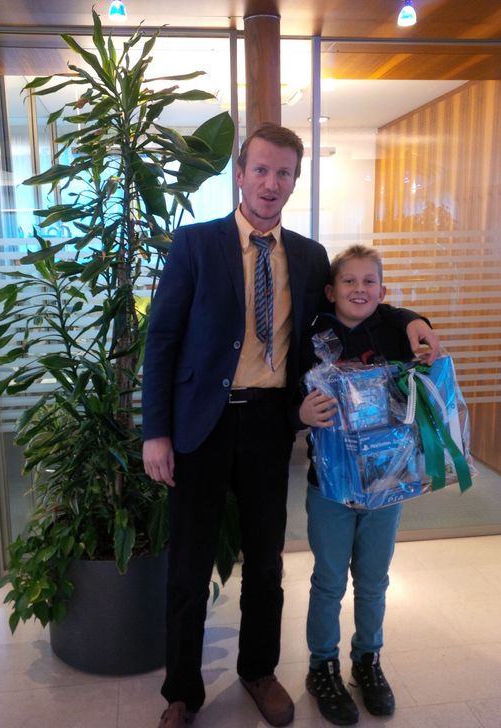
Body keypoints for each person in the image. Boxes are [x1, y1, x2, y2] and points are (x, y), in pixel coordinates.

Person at [142, 124, 439, 728]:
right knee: (189, 566)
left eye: (283, 173)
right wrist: (156, 432)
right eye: (261, 169)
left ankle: (258, 670)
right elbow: (162, 340)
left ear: (294, 181)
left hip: (269, 425)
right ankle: (182, 691)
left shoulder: (306, 257)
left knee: (266, 562)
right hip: (199, 427)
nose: (270, 183)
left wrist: (412, 317)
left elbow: (355, 304)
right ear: (240, 174)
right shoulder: (196, 244)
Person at [299, 244, 430, 726]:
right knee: (329, 581)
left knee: (373, 581)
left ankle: (367, 660)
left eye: (369, 281)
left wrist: (418, 322)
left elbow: (418, 375)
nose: (360, 289)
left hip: (385, 483)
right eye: (349, 281)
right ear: (331, 290)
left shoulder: (393, 330)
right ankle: (322, 666)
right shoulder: (312, 335)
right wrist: (300, 412)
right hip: (329, 486)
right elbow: (289, 390)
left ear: (382, 290)